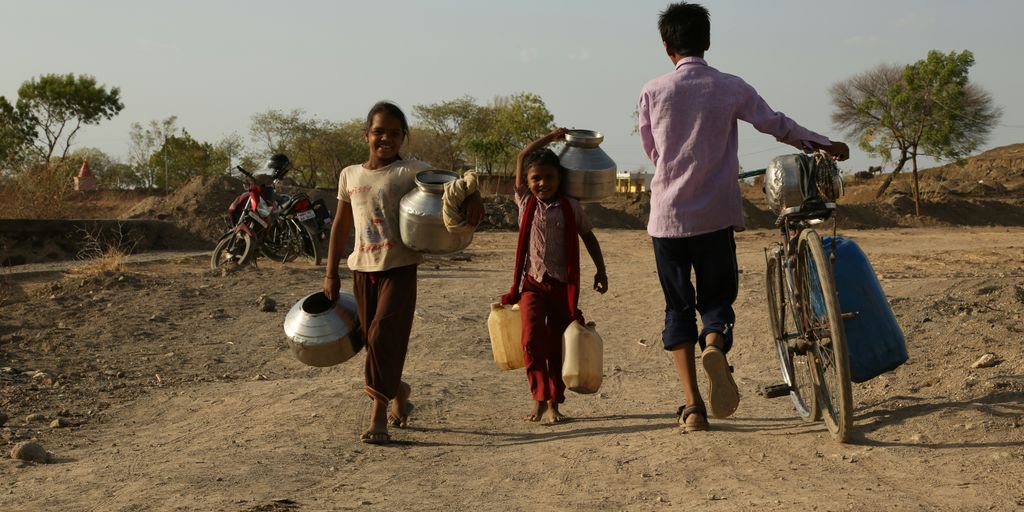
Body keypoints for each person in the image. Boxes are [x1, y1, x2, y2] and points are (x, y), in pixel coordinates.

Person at [637, 2, 850, 432]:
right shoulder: (729, 86)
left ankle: (693, 408)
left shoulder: (653, 91)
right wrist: (822, 143)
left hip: (667, 219)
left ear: (666, 47)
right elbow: (775, 124)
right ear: (708, 42)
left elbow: (653, 150)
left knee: (678, 307)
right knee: (716, 301)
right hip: (714, 216)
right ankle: (714, 343)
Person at [323, 100, 484, 444]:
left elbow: (457, 184)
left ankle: (378, 416)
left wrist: (473, 198)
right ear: (366, 134)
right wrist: (330, 272)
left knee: (383, 336)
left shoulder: (410, 171)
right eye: (379, 131)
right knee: (371, 341)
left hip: (399, 266)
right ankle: (399, 390)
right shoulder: (350, 175)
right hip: (362, 268)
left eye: (394, 133)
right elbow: (341, 224)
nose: (386, 138)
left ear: (403, 137)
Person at [500, 128, 608, 425]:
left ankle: (553, 403)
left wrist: (601, 270)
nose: (542, 183)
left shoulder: (570, 207)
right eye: (536, 178)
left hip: (561, 285)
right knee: (531, 341)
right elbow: (522, 156)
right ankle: (538, 395)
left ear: (560, 179)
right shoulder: (525, 202)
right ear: (527, 182)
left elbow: (588, 236)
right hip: (532, 283)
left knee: (559, 344)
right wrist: (552, 137)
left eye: (549, 177)